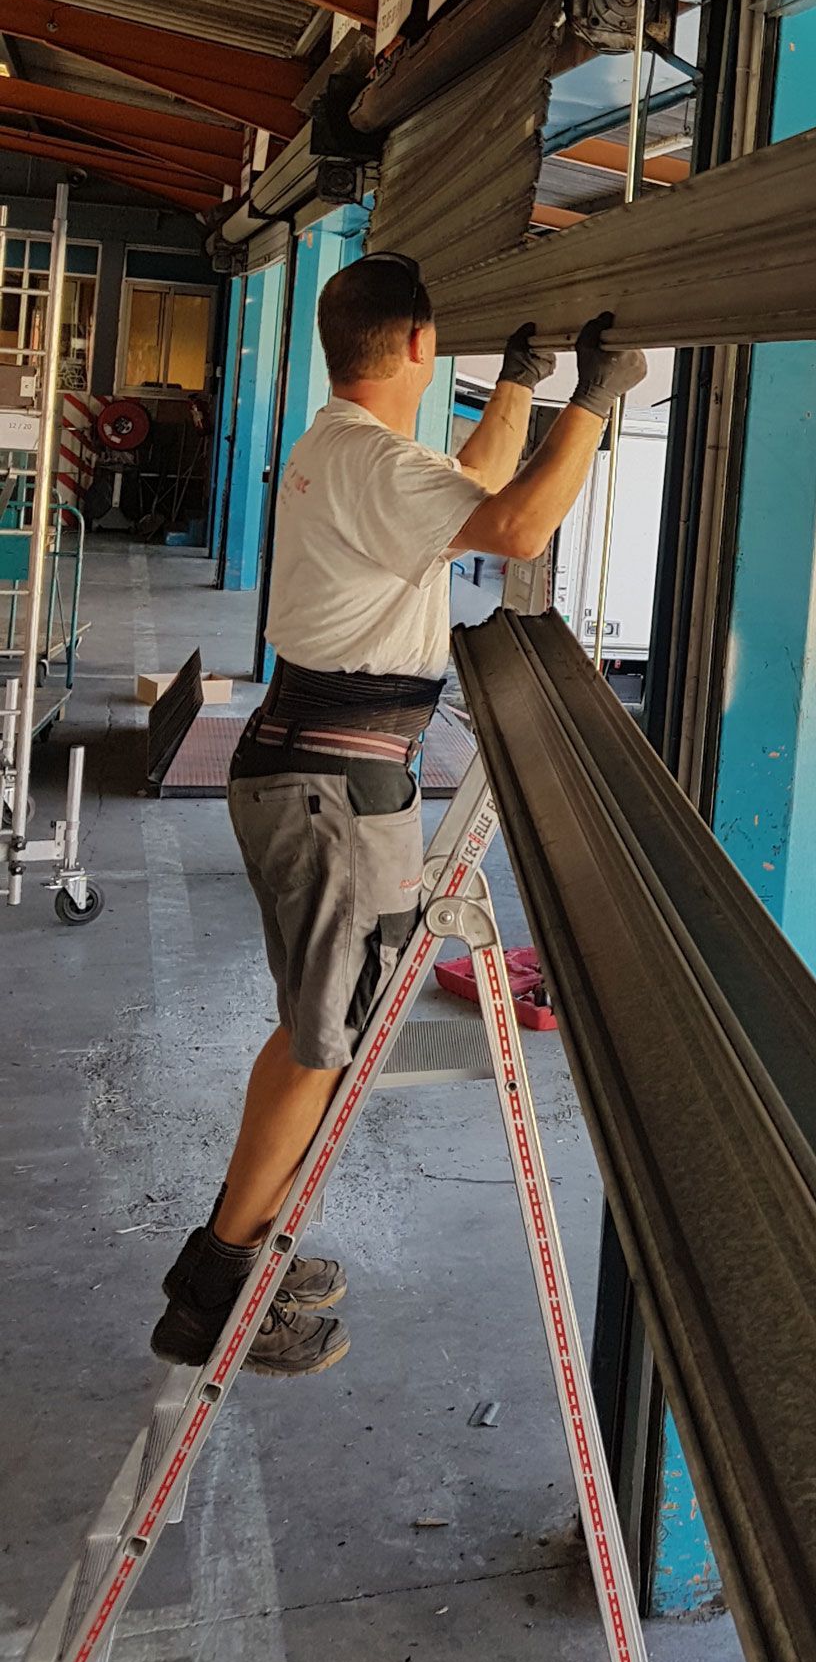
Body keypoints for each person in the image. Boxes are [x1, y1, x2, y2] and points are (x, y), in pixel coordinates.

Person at [151, 253, 646, 1377]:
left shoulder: (349, 446)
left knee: (319, 1028)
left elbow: (465, 487)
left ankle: (244, 1253)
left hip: (311, 768)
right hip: (332, 787)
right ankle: (215, 1288)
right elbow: (516, 528)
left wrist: (520, 385)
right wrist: (592, 402)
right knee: (325, 1038)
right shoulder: (374, 461)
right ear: (422, 348)